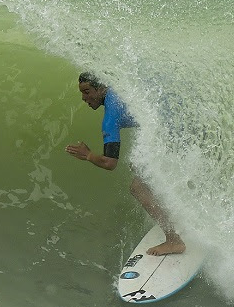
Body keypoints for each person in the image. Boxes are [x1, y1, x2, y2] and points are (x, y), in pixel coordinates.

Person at [64, 73, 186, 256]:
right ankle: (177, 208)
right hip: (181, 116)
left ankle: (173, 240)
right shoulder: (119, 83)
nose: (84, 98)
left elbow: (110, 163)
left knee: (138, 187)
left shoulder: (111, 117)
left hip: (172, 131)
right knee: (139, 168)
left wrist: (88, 155)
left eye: (87, 92)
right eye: (82, 93)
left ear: (101, 88)